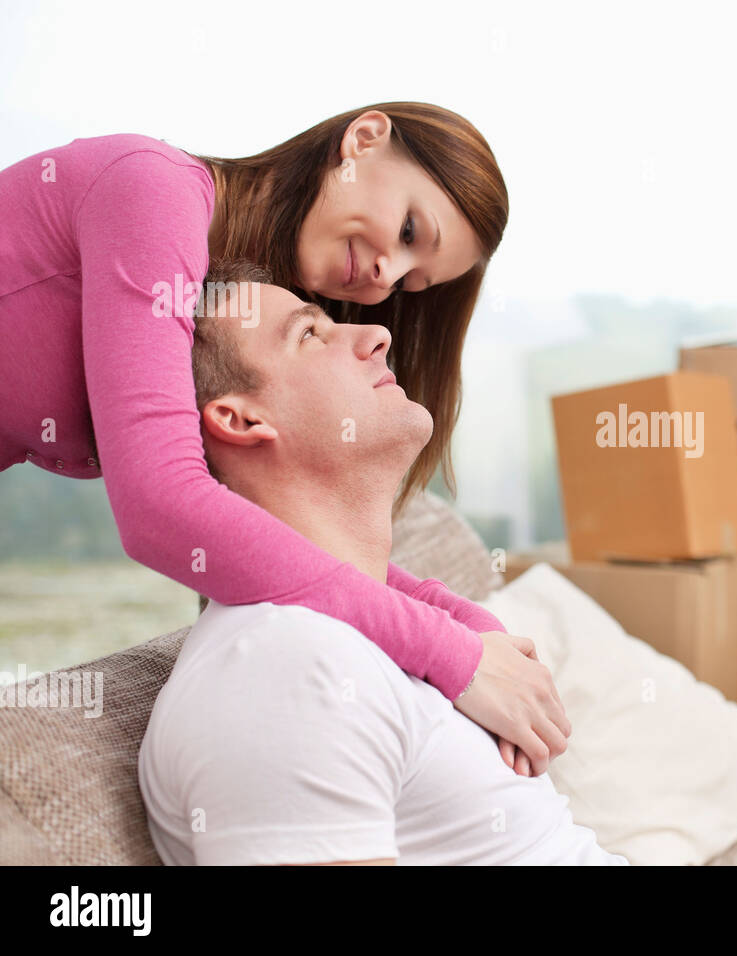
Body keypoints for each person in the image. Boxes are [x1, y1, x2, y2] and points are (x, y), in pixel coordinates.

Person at [0, 104, 565, 775]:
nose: (387, 277)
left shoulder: (227, 311)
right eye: (410, 229)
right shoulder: (148, 189)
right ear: (364, 138)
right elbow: (160, 507)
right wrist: (451, 655)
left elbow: (273, 540)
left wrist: (467, 624)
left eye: (412, 279)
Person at [139, 263, 626, 865]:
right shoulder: (286, 666)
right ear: (241, 420)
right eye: (309, 335)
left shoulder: (377, 636)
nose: (375, 335)